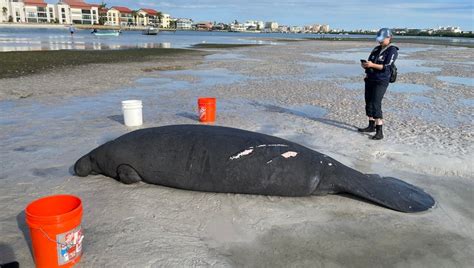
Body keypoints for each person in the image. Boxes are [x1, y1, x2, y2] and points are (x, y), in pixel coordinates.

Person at [358, 28, 398, 140]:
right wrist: (366, 66)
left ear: (389, 38)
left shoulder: (392, 50)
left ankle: (379, 130)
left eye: (382, 39)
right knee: (369, 102)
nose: (379, 41)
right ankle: (371, 126)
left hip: (381, 80)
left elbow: (387, 67)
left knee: (376, 103)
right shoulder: (376, 49)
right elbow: (371, 61)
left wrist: (372, 65)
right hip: (370, 78)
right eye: (378, 39)